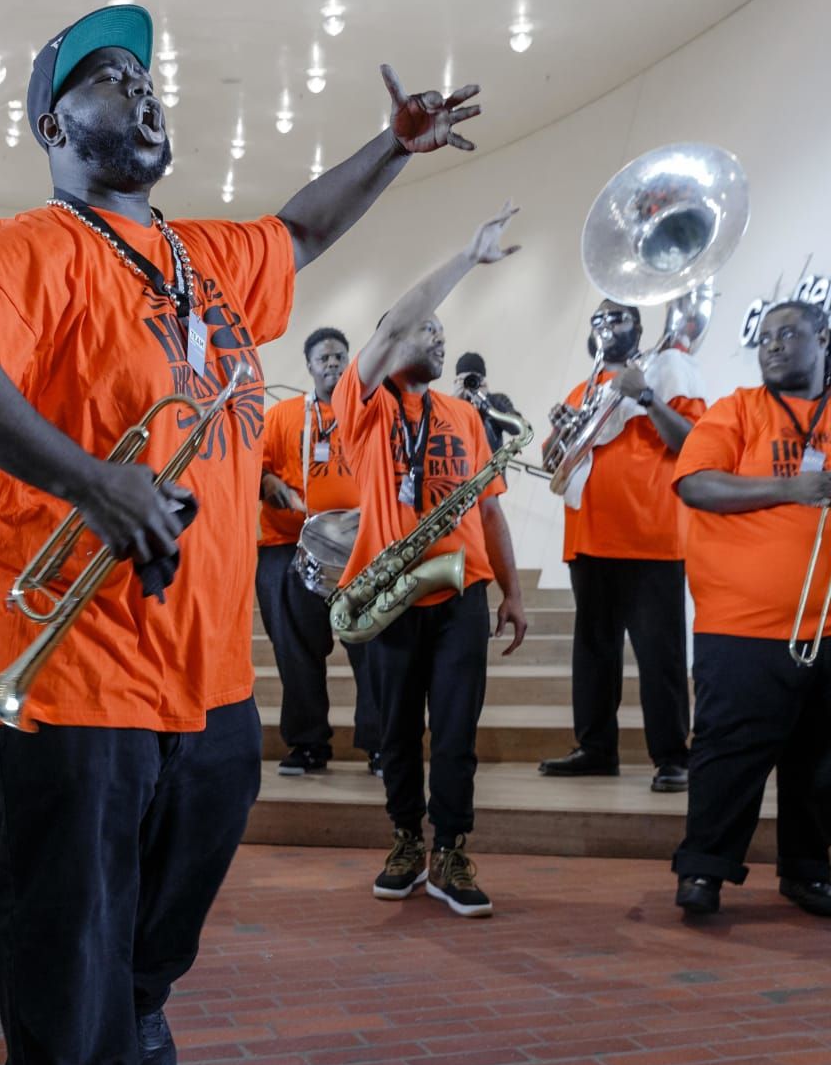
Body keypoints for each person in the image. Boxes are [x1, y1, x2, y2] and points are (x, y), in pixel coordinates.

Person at [0, 2, 485, 1065]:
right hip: (70, 665)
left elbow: (299, 231)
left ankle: (140, 1001)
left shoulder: (208, 258)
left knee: (185, 873)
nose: (143, 93)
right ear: (54, 121)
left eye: (150, 82)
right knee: (68, 915)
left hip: (206, 665)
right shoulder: (27, 247)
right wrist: (92, 484)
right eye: (110, 79)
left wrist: (391, 148)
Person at [333, 203, 527, 918]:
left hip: (462, 593)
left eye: (445, 334)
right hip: (388, 593)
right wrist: (466, 260)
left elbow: (492, 508)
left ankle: (450, 847)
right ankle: (404, 840)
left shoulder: (467, 417)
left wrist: (511, 591)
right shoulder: (365, 405)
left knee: (454, 730)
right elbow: (389, 328)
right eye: (427, 329)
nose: (439, 341)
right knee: (394, 734)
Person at [671, 299, 831, 916]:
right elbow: (696, 483)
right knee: (727, 756)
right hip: (741, 629)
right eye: (764, 337)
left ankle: (808, 871)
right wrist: (792, 488)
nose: (771, 346)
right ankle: (704, 871)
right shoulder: (736, 409)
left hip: (827, 629)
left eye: (787, 334)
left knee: (820, 762)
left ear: (822, 337)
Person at [539, 300, 706, 792]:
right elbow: (554, 461)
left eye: (618, 319)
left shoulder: (667, 374)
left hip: (650, 538)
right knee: (593, 653)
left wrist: (648, 398)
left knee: (661, 656)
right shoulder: (584, 388)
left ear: (638, 326)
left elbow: (694, 443)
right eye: (599, 320)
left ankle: (673, 757)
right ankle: (595, 748)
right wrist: (559, 432)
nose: (607, 327)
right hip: (588, 538)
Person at [256, 327, 380, 776]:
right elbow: (254, 467)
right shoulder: (282, 416)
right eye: (323, 357)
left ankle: (380, 745)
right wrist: (269, 484)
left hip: (358, 551)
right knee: (295, 653)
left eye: (339, 357)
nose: (332, 364)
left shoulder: (369, 414)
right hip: (286, 549)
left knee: (371, 647)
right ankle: (308, 745)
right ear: (308, 365)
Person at [452, 351, 519, 452]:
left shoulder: (497, 400)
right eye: (464, 380)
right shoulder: (447, 406)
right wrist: (455, 402)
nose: (470, 384)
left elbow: (516, 428)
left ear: (482, 380)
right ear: (457, 382)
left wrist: (485, 401)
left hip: (488, 463)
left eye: (474, 379)